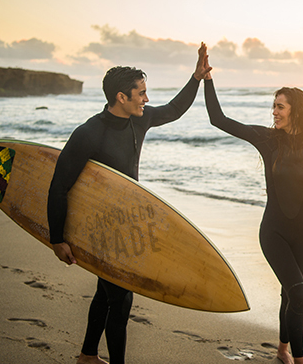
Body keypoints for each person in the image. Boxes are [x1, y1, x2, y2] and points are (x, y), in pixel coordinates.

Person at [47, 43, 212, 364]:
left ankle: (87, 356)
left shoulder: (140, 119)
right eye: (141, 94)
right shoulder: (88, 133)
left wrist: (196, 78)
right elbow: (59, 185)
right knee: (121, 298)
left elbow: (173, 109)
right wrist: (57, 238)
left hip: (126, 224)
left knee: (105, 293)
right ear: (121, 97)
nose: (146, 100)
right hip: (98, 227)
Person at [201, 52, 303, 364]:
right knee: (298, 292)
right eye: (273, 106)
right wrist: (207, 80)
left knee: (291, 294)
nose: (274, 112)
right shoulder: (268, 140)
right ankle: (298, 360)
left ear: (296, 111)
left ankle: (283, 349)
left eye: (280, 107)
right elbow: (218, 120)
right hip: (273, 230)